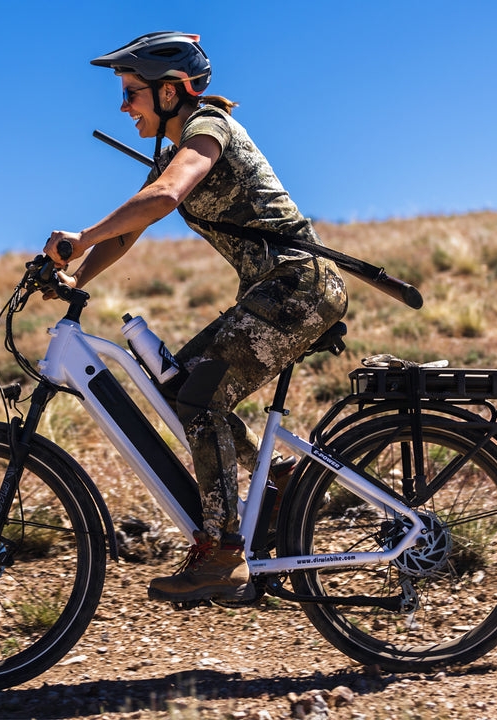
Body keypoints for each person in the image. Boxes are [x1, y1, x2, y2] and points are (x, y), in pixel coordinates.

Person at [42, 31, 348, 603]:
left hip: (296, 289)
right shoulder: (175, 146)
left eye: (131, 92)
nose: (123, 106)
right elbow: (132, 226)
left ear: (170, 92)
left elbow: (164, 197)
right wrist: (73, 276)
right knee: (181, 382)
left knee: (198, 399)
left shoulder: (207, 129)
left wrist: (81, 238)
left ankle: (222, 551)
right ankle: (275, 482)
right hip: (276, 290)